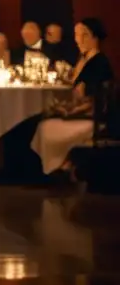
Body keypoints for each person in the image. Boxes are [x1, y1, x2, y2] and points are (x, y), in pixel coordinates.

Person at [30, 18, 114, 177]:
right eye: (76, 35)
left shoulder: (98, 62)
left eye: (83, 35)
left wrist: (67, 111)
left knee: (45, 126)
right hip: (84, 112)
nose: (78, 39)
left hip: (94, 119)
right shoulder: (85, 58)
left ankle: (57, 168)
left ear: (93, 37)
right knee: (40, 119)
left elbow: (94, 101)